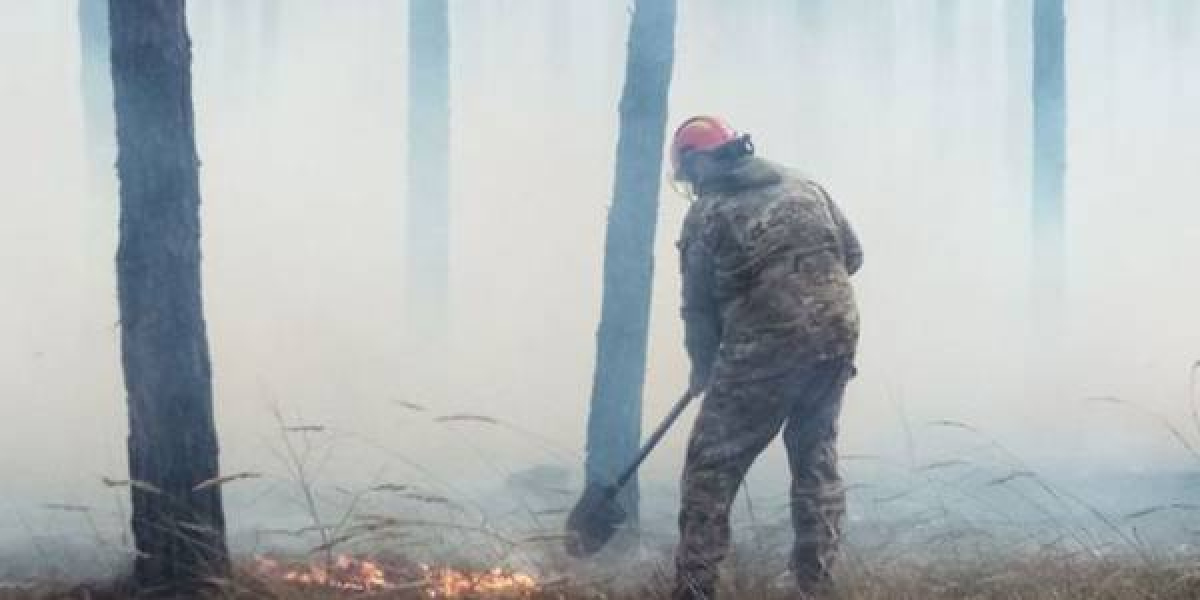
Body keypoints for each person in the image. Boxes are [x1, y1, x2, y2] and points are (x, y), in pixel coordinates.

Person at [670, 116, 863, 599]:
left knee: (709, 469)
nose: (691, 185)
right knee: (815, 459)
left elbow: (698, 307)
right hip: (836, 338)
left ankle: (694, 589)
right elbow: (853, 255)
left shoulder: (708, 214)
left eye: (689, 174)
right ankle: (815, 586)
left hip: (765, 350)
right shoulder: (804, 185)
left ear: (697, 163)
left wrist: (702, 365)